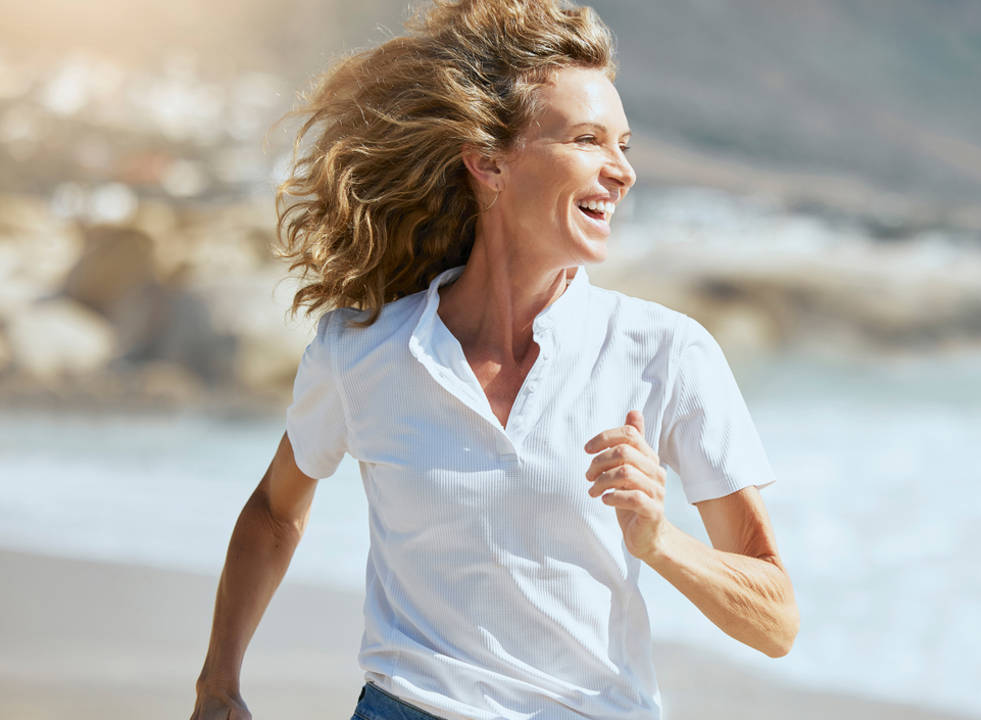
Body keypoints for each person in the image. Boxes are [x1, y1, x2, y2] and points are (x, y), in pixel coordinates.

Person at [191, 1, 797, 718]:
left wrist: (660, 540)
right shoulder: (365, 351)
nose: (622, 171)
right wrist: (218, 684)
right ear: (488, 162)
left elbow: (776, 619)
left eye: (623, 145)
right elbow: (273, 510)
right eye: (587, 139)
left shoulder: (665, 353)